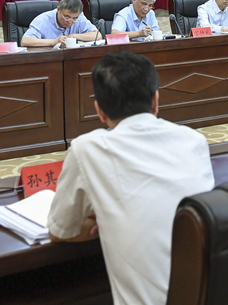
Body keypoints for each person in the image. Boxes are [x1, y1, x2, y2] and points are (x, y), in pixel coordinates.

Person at [47, 51, 214, 305]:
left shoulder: (87, 149)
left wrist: (103, 218)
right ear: (155, 100)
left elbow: (59, 230)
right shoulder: (194, 140)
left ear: (99, 111)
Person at [20, 0, 100, 48]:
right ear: (58, 10)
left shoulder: (80, 17)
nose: (70, 22)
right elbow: (25, 41)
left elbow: (97, 35)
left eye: (74, 19)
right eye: (67, 17)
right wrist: (54, 41)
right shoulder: (43, 20)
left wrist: (74, 36)